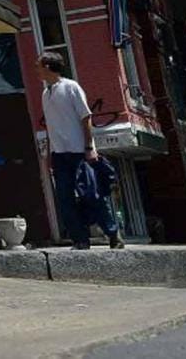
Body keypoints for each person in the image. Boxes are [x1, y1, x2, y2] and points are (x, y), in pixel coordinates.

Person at [36, 51, 124, 250]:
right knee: (65, 198)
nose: (37, 70)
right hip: (59, 154)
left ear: (48, 67)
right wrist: (50, 154)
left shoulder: (71, 87)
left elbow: (86, 117)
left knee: (91, 194)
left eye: (39, 66)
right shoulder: (45, 94)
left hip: (79, 152)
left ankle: (113, 234)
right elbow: (50, 127)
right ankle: (80, 239)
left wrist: (88, 148)